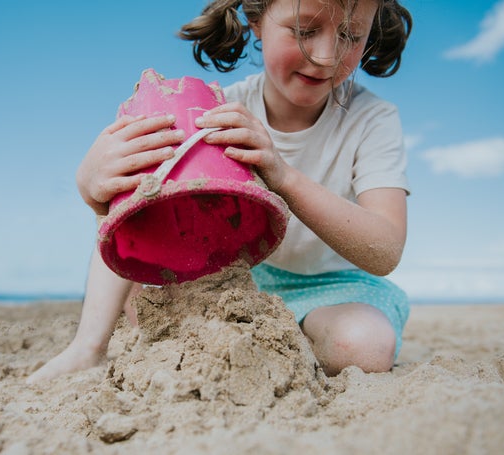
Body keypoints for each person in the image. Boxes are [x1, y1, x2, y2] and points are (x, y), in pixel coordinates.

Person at [27, 0, 412, 383]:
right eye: (305, 31)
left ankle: (267, 345)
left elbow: (385, 251)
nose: (327, 56)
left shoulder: (372, 120)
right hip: (236, 282)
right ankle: (87, 348)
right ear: (256, 21)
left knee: (363, 345)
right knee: (141, 296)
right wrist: (93, 190)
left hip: (338, 289)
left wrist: (283, 175)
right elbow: (138, 211)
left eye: (350, 34)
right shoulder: (213, 111)